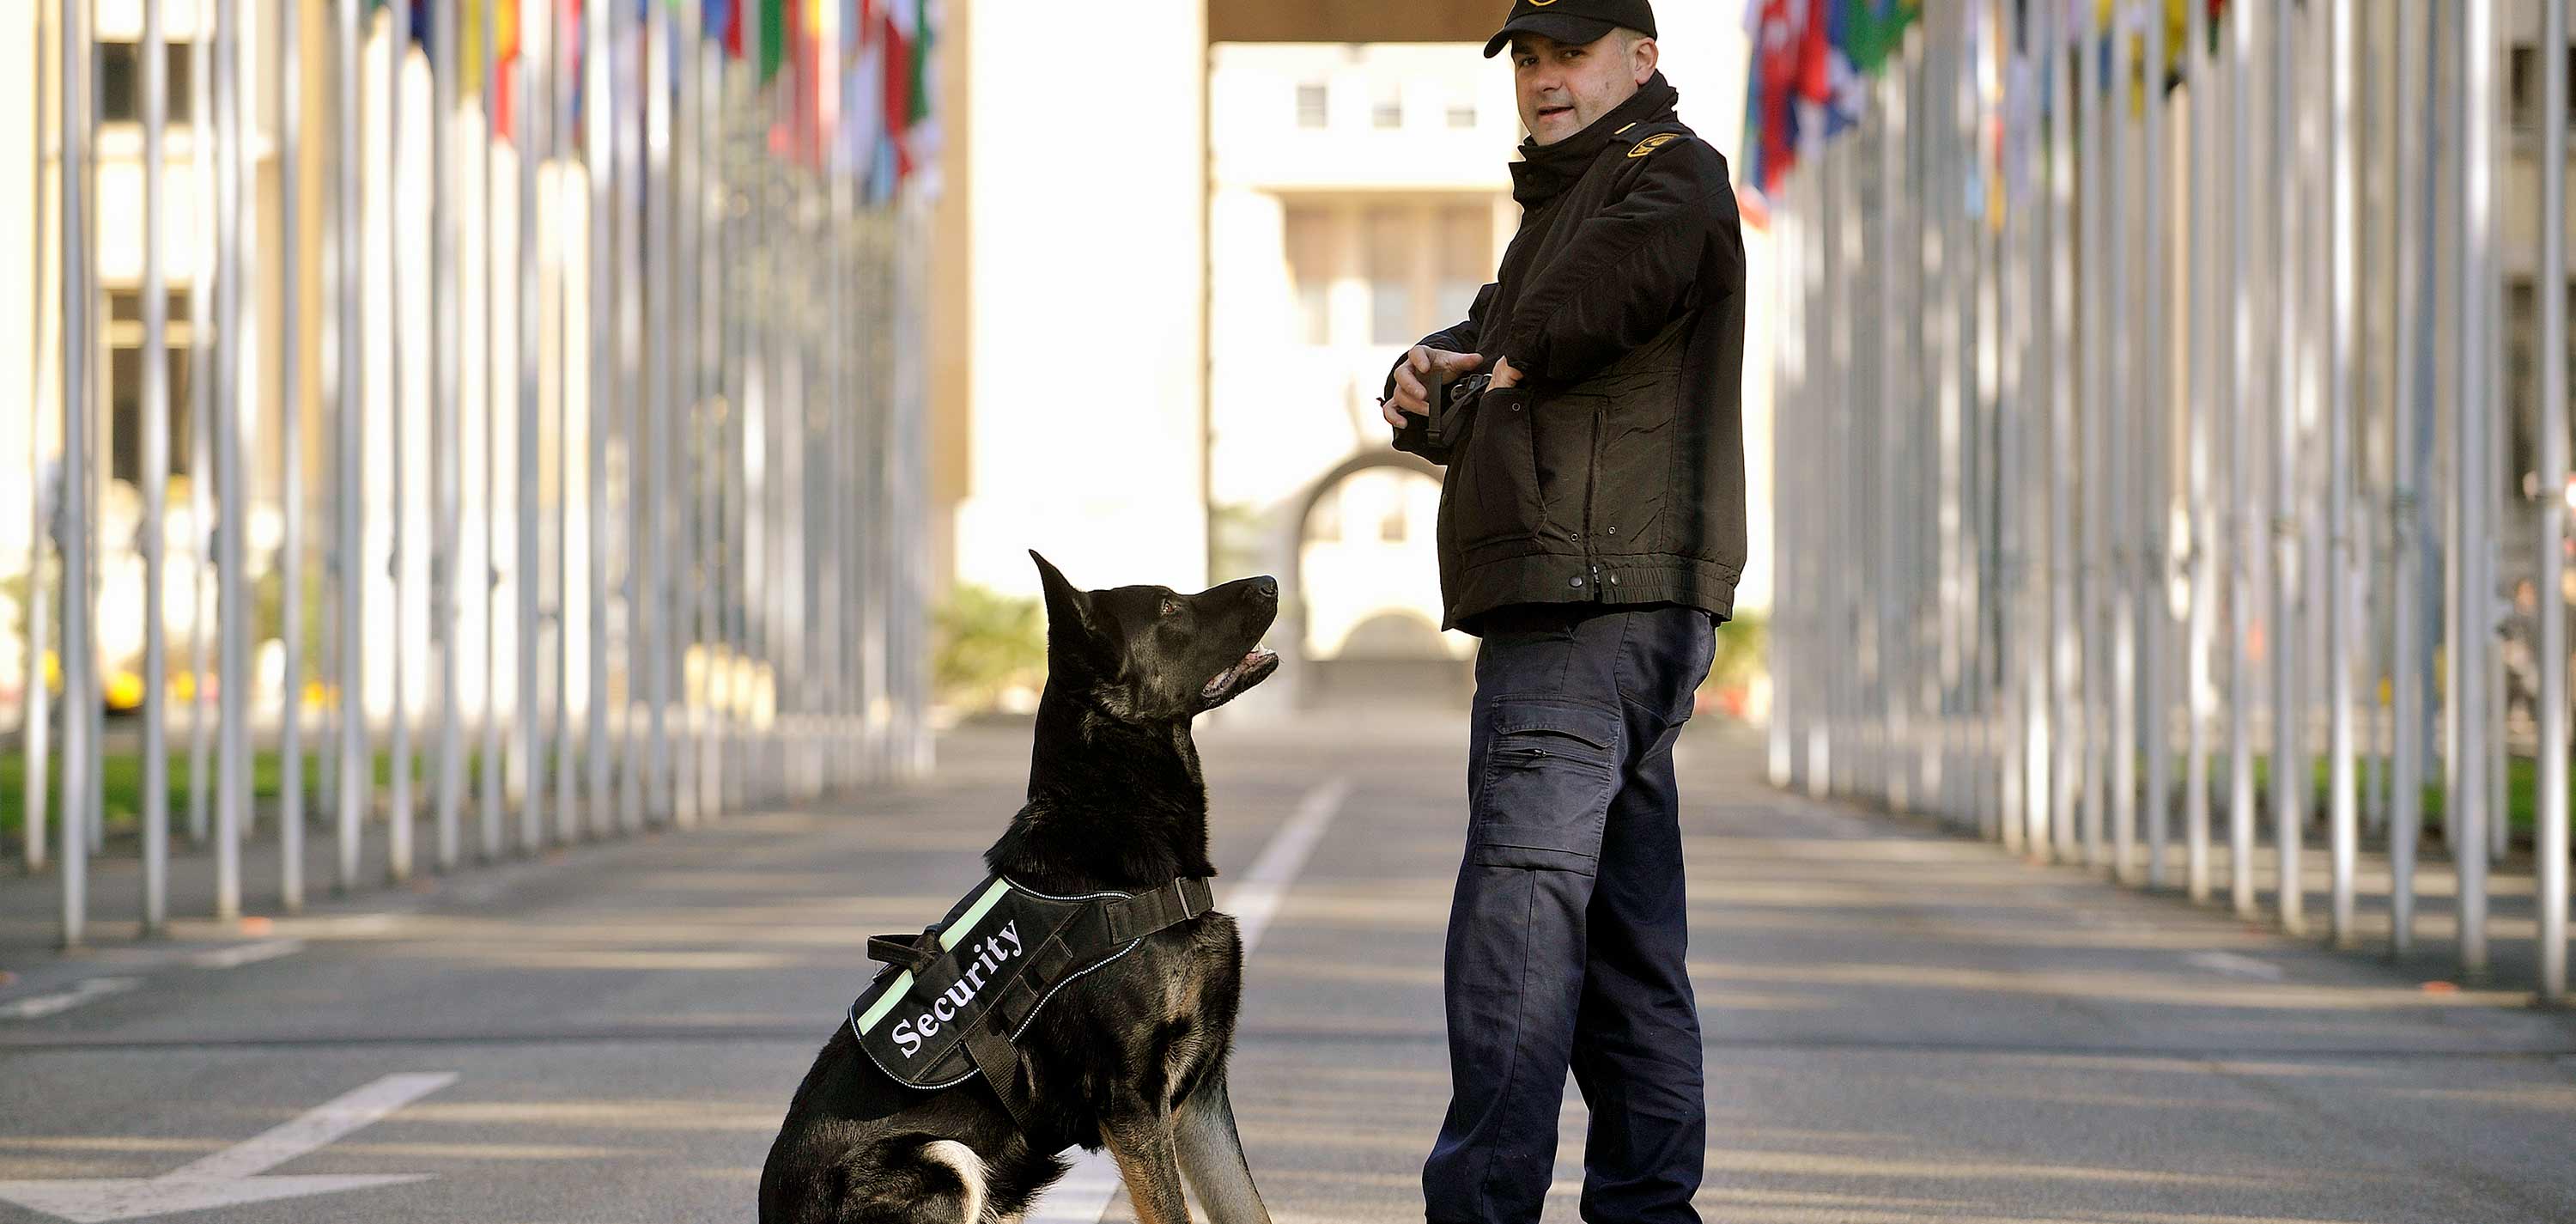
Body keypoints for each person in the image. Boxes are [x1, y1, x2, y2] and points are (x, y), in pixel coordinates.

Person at [1376, 1, 1747, 1219]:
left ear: (1641, 60)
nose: (1543, 78)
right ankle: (1647, 1209)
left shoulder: (1668, 176)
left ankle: (1482, 1208)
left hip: (1586, 606)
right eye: (1528, 57)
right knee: (1627, 953)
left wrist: (1491, 355)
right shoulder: (1569, 200)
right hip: (1604, 601)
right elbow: (1507, 342)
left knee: (1518, 924)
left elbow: (1586, 312)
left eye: (1570, 53)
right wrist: (1430, 370)